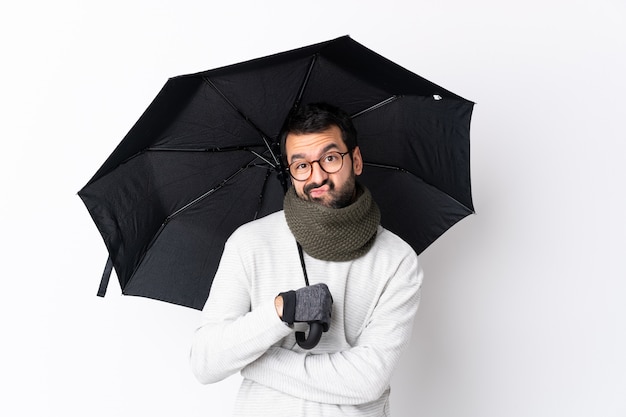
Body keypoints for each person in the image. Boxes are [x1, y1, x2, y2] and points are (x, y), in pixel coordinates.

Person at [190, 102, 423, 416]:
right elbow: (206, 362)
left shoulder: (395, 260)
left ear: (355, 160)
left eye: (329, 158)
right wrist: (279, 312)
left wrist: (255, 361)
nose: (317, 177)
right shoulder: (250, 242)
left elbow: (367, 380)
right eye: (301, 165)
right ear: (290, 170)